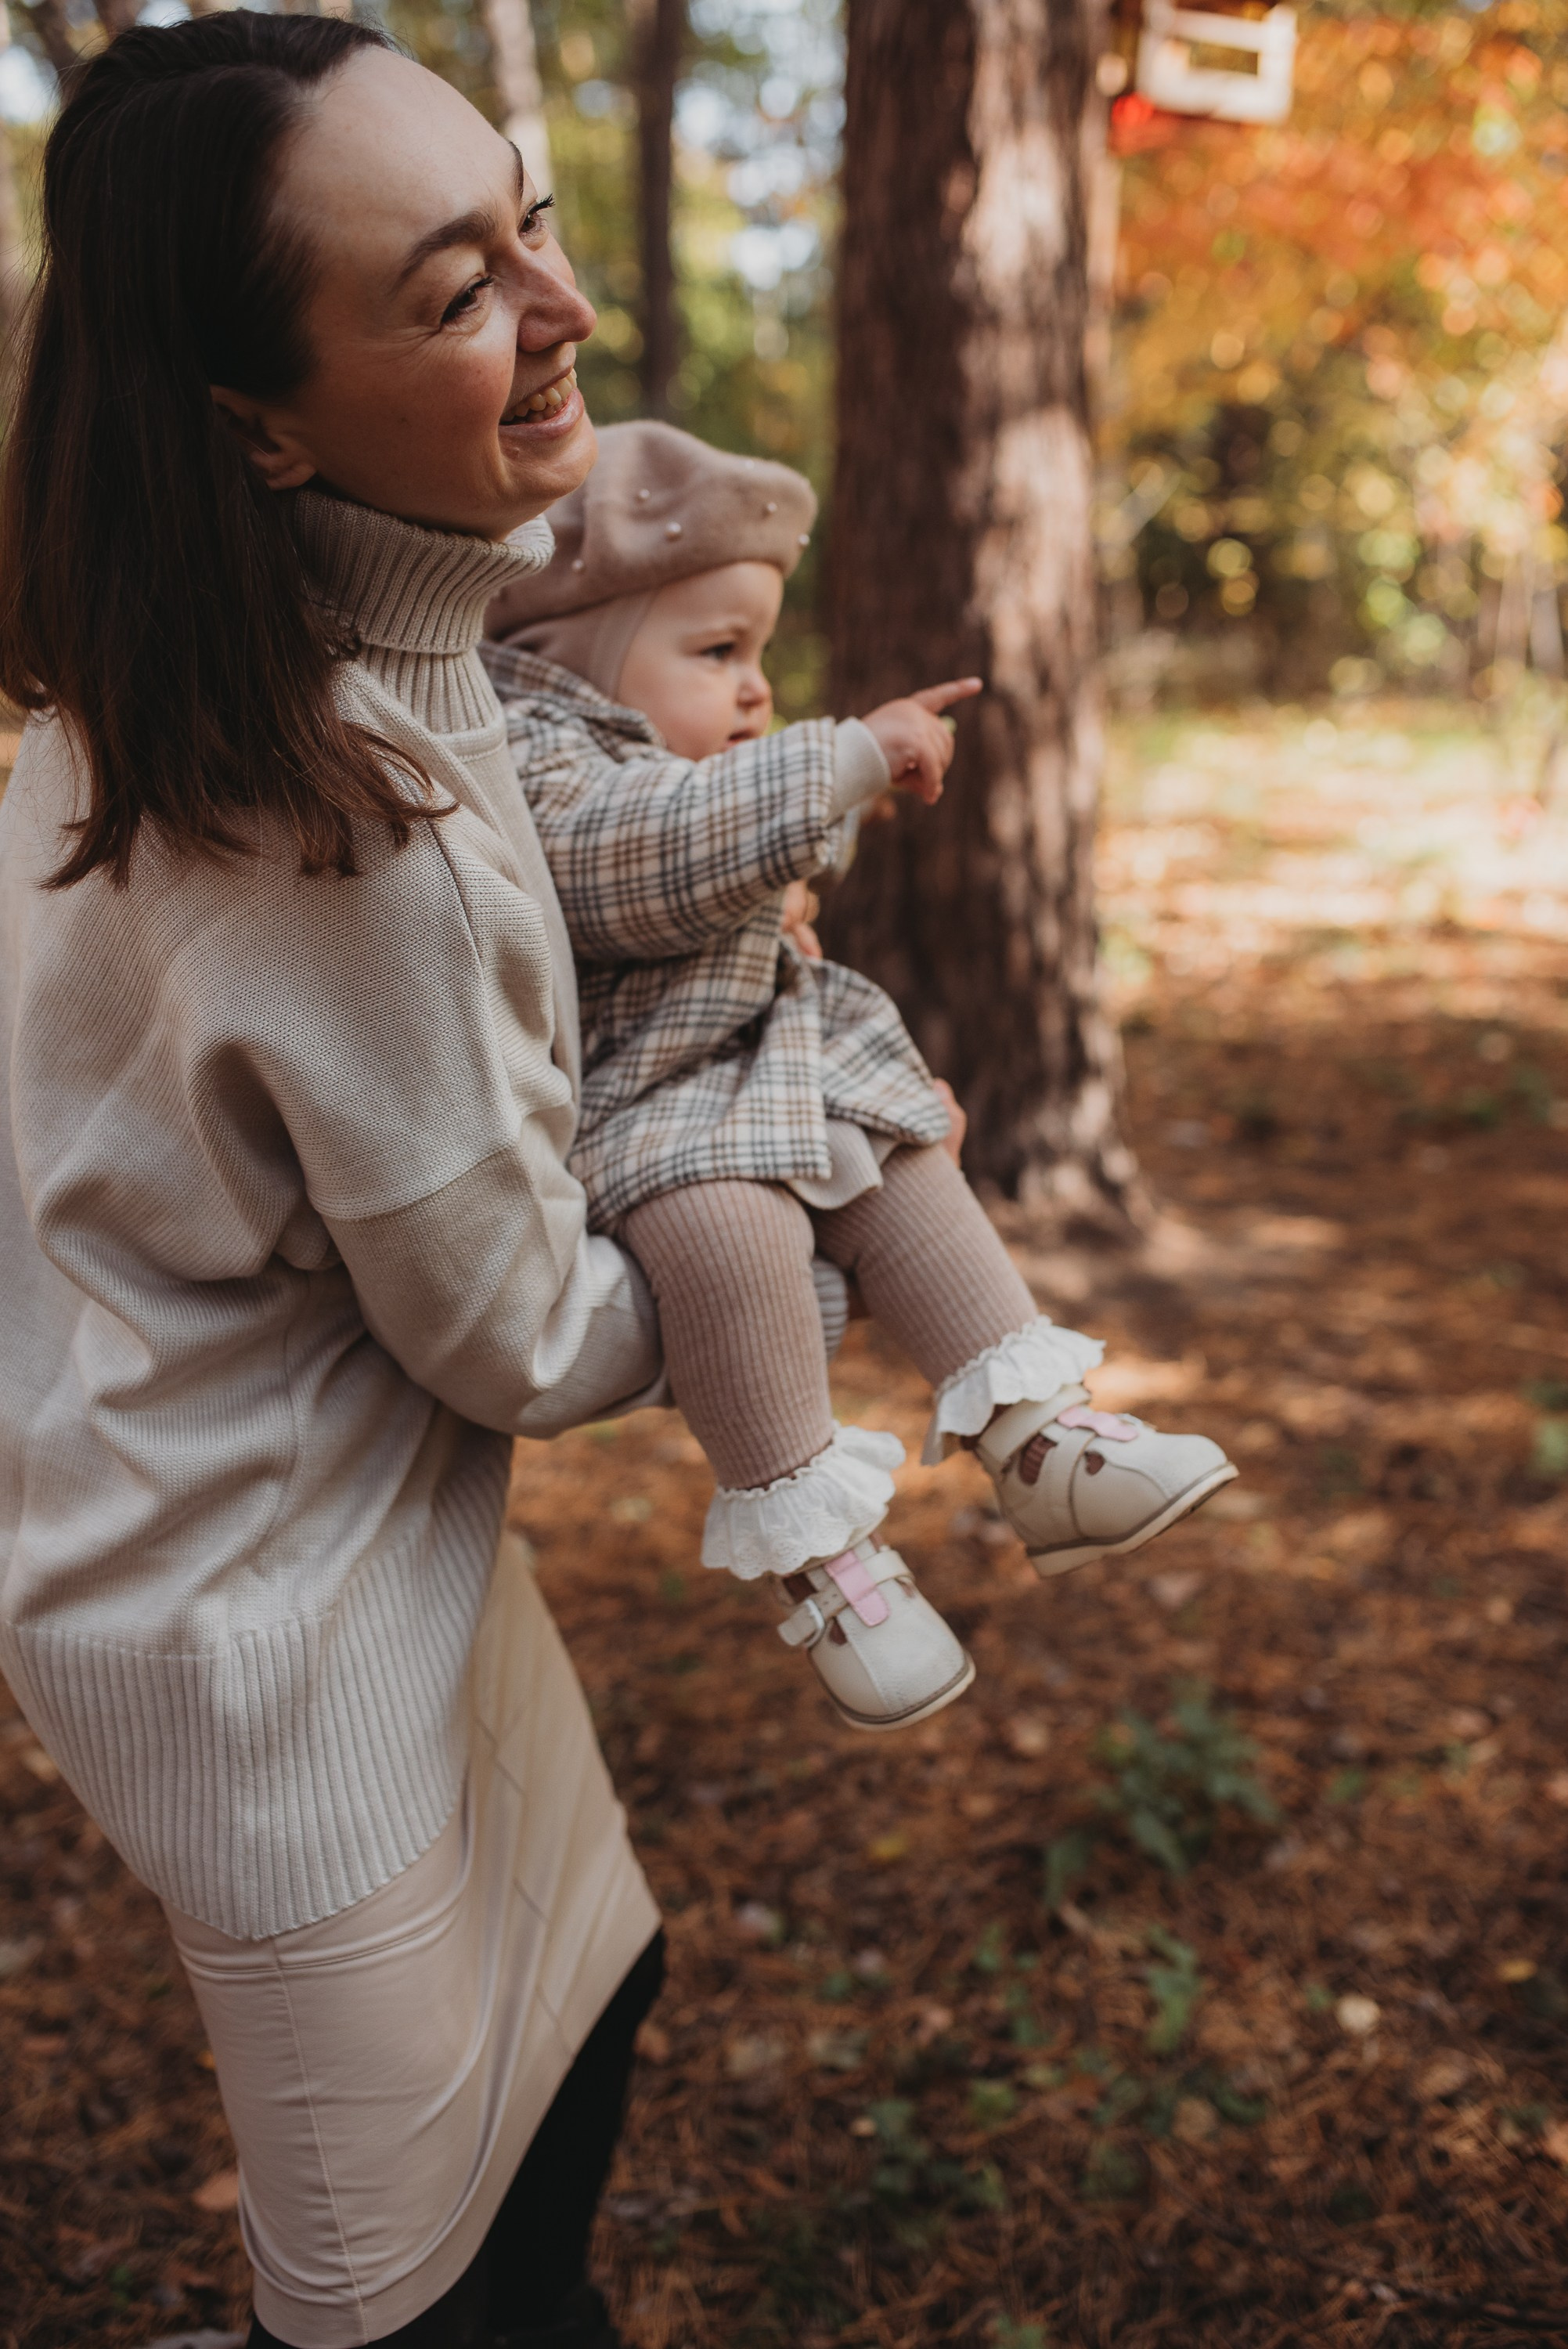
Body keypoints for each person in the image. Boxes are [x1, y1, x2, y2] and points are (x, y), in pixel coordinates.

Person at [0, 18, 685, 2347]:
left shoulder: (220, 664)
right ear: (256, 422)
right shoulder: (324, 812)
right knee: (411, 2306)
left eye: (536, 220)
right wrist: (748, 1198)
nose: (555, 305)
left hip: (366, 1558)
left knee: (587, 2025)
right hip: (268, 1652)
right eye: (448, 287)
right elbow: (517, 1328)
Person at [482, 423, 1238, 1736]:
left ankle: (1040, 1442)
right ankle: (827, 1567)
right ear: (569, 659)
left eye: (762, 654)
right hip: (650, 1121)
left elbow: (729, 869)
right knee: (730, 1229)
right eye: (718, 652)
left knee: (902, 1160)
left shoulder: (679, 775)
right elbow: (642, 857)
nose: (760, 690)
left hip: (774, 1079)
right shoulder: (546, 766)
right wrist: (840, 760)